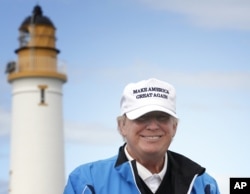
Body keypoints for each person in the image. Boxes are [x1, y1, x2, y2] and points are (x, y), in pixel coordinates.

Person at [63, 78, 220, 194]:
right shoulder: (87, 181)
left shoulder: (203, 185)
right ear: (121, 126)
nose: (152, 126)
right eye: (142, 117)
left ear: (175, 127)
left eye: (162, 117)